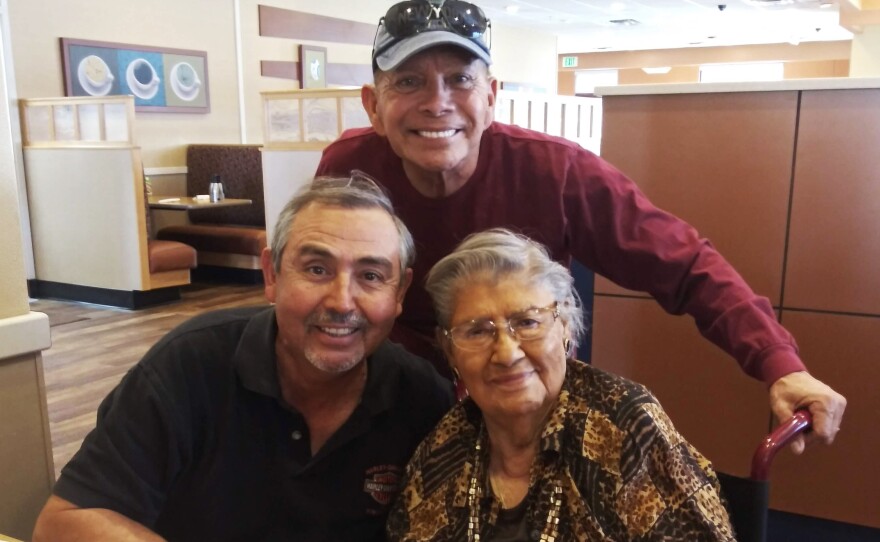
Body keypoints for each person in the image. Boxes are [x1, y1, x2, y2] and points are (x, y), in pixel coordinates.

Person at [314, 0, 846, 453]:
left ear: (492, 96)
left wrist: (779, 363)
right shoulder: (349, 171)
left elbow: (684, 264)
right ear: (374, 106)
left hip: (526, 385)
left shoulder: (557, 171)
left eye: (460, 79)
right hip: (401, 387)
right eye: (409, 81)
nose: (437, 102)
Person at [31, 175, 455, 542]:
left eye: (371, 276)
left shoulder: (420, 398)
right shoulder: (189, 366)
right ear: (271, 275)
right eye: (316, 269)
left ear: (399, 293)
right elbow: (66, 523)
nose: (342, 301)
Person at [386, 228, 735, 541]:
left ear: (564, 325)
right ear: (450, 350)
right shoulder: (442, 450)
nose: (507, 354)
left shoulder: (625, 427)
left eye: (526, 322)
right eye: (477, 331)